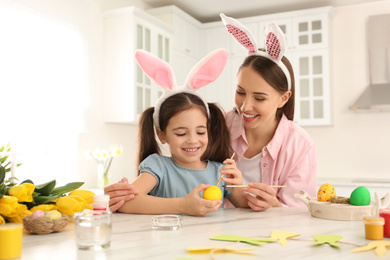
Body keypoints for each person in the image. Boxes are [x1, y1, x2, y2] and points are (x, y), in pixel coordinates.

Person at [105, 15, 317, 212]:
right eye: (240, 92)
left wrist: (272, 207)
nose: (245, 107)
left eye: (259, 98)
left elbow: (301, 214)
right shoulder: (217, 123)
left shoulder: (299, 145)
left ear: (284, 98)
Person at [112, 49, 248, 216]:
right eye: (181, 134)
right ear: (162, 135)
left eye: (200, 132)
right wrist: (184, 206)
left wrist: (238, 187)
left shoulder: (219, 171)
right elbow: (125, 202)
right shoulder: (158, 167)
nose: (192, 140)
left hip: (211, 242)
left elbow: (243, 208)